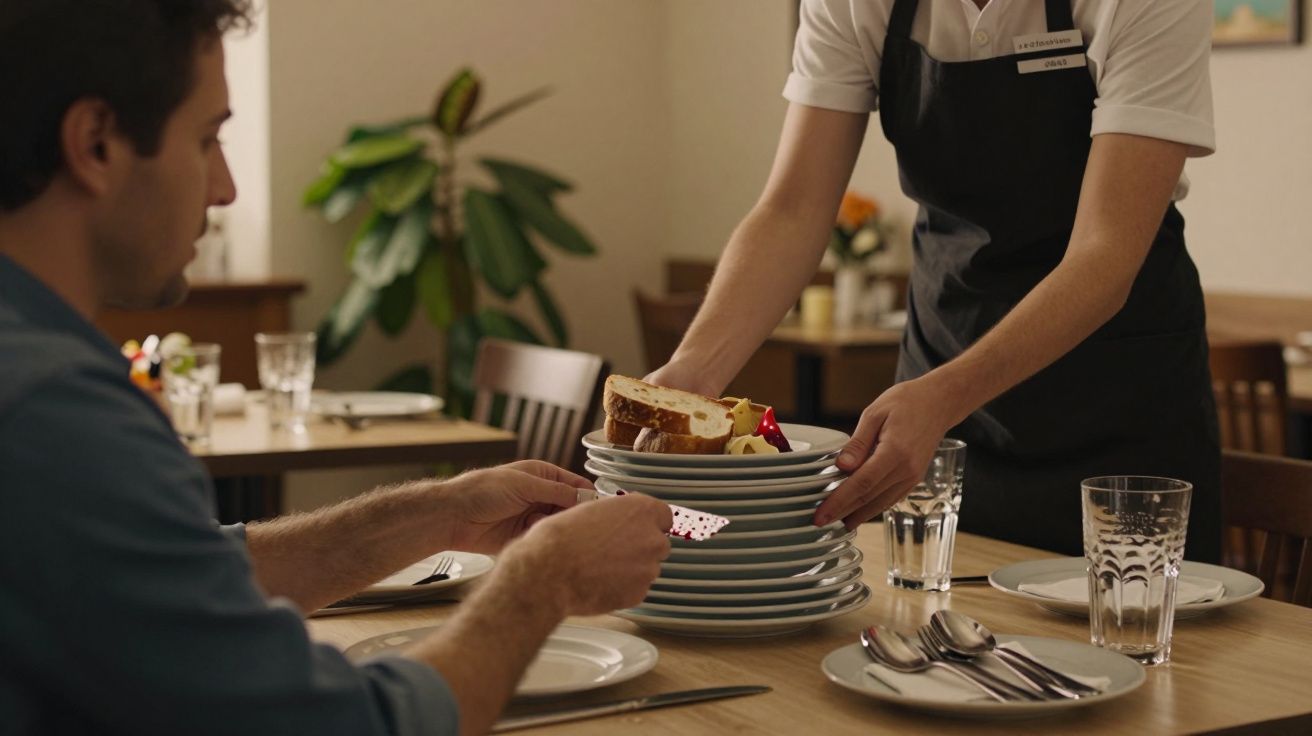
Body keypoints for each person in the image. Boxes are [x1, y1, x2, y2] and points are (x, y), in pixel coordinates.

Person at [0, 2, 671, 734]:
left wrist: (438, 515)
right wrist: (542, 584)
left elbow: (165, 581)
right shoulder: (55, 413)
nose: (224, 188)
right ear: (95, 143)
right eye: (207, 138)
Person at [648, 0, 1222, 561]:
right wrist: (693, 372)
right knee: (929, 632)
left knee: (1140, 642)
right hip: (941, 384)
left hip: (1116, 398)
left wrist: (946, 394)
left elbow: (1105, 253)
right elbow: (793, 210)